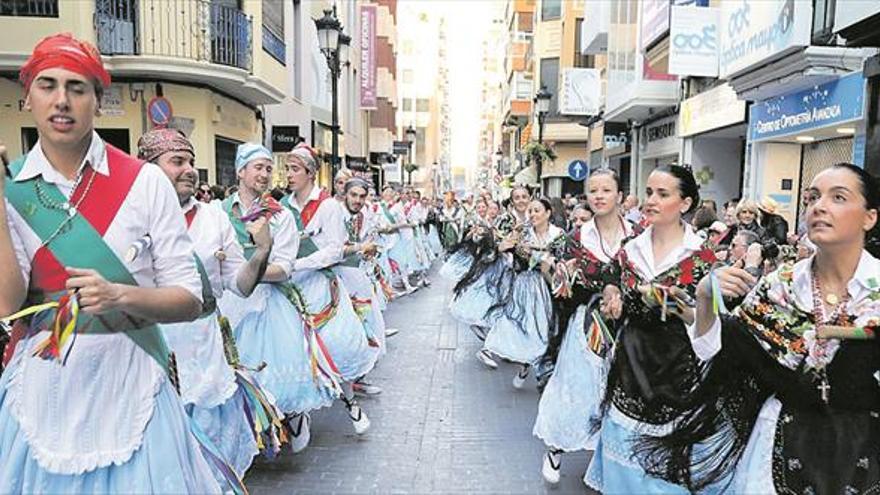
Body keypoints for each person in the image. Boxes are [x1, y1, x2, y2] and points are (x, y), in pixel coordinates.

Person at [0, 34, 220, 492]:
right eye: (47, 85)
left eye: (77, 88)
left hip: (131, 380)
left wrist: (121, 295)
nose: (62, 101)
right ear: (28, 96)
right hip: (44, 395)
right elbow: (7, 305)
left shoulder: (145, 183)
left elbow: (190, 297)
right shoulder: (12, 187)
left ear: (98, 100)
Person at [638, 163, 880, 494]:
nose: (819, 206)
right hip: (777, 444)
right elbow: (717, 347)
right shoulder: (780, 285)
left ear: (870, 217)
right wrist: (706, 295)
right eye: (812, 198)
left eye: (838, 197)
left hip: (863, 449)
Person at [138, 129, 282, 477]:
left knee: (209, 454)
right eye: (177, 162)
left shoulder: (212, 217)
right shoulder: (130, 215)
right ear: (149, 169)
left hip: (204, 349)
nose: (189, 169)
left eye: (191, 161)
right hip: (152, 350)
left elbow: (240, 285)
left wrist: (262, 251)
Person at [585, 165, 717, 492]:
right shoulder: (631, 250)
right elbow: (611, 281)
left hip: (678, 371)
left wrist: (679, 306)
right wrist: (613, 296)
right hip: (630, 367)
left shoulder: (704, 259)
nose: (651, 201)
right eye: (648, 193)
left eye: (663, 194)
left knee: (664, 475)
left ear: (684, 204)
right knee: (623, 467)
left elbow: (710, 332)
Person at [216, 143, 318, 455]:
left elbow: (284, 268)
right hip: (227, 304)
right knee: (230, 379)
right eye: (257, 167)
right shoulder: (217, 213)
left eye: (267, 168)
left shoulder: (280, 216)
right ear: (241, 171)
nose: (264, 173)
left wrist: (245, 270)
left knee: (271, 379)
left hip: (266, 306)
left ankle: (291, 417)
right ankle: (243, 440)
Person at [534, 169, 634, 484]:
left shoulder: (640, 234)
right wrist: (558, 273)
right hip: (587, 325)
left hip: (631, 326)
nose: (599, 196)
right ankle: (556, 447)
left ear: (620, 195)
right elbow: (555, 279)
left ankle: (612, 462)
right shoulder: (576, 238)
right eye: (593, 191)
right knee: (575, 387)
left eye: (606, 190)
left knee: (620, 391)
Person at [280, 143, 379, 445]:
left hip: (320, 288)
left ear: (310, 172)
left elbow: (335, 250)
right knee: (295, 351)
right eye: (287, 169)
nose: (289, 175)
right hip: (289, 289)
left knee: (336, 348)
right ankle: (298, 415)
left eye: (294, 169)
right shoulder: (284, 206)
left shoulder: (327, 206)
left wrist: (296, 264)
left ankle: (350, 402)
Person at [483, 198, 566, 389]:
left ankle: (541, 368)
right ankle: (525, 365)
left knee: (546, 329)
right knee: (523, 328)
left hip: (547, 287)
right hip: (522, 286)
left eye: (537, 210)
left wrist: (550, 265)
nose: (533, 214)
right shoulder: (522, 234)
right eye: (531, 211)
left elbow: (561, 262)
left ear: (548, 213)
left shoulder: (558, 235)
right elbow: (502, 250)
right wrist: (505, 245)